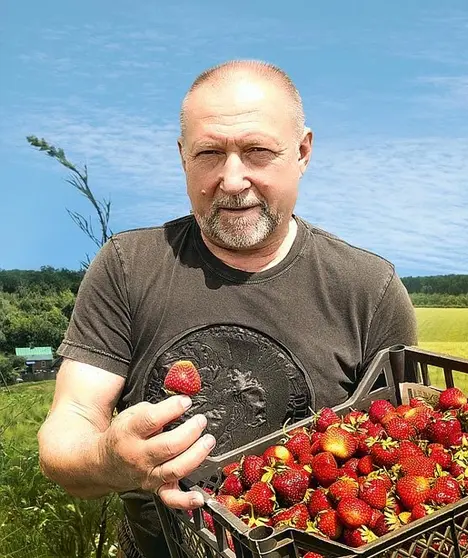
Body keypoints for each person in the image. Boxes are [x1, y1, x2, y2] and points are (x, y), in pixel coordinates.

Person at [36, 59, 419, 558]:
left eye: (258, 151)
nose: (233, 179)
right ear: (182, 158)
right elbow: (67, 431)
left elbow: (407, 452)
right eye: (210, 153)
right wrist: (112, 459)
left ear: (302, 152)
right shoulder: (129, 267)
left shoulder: (369, 289)